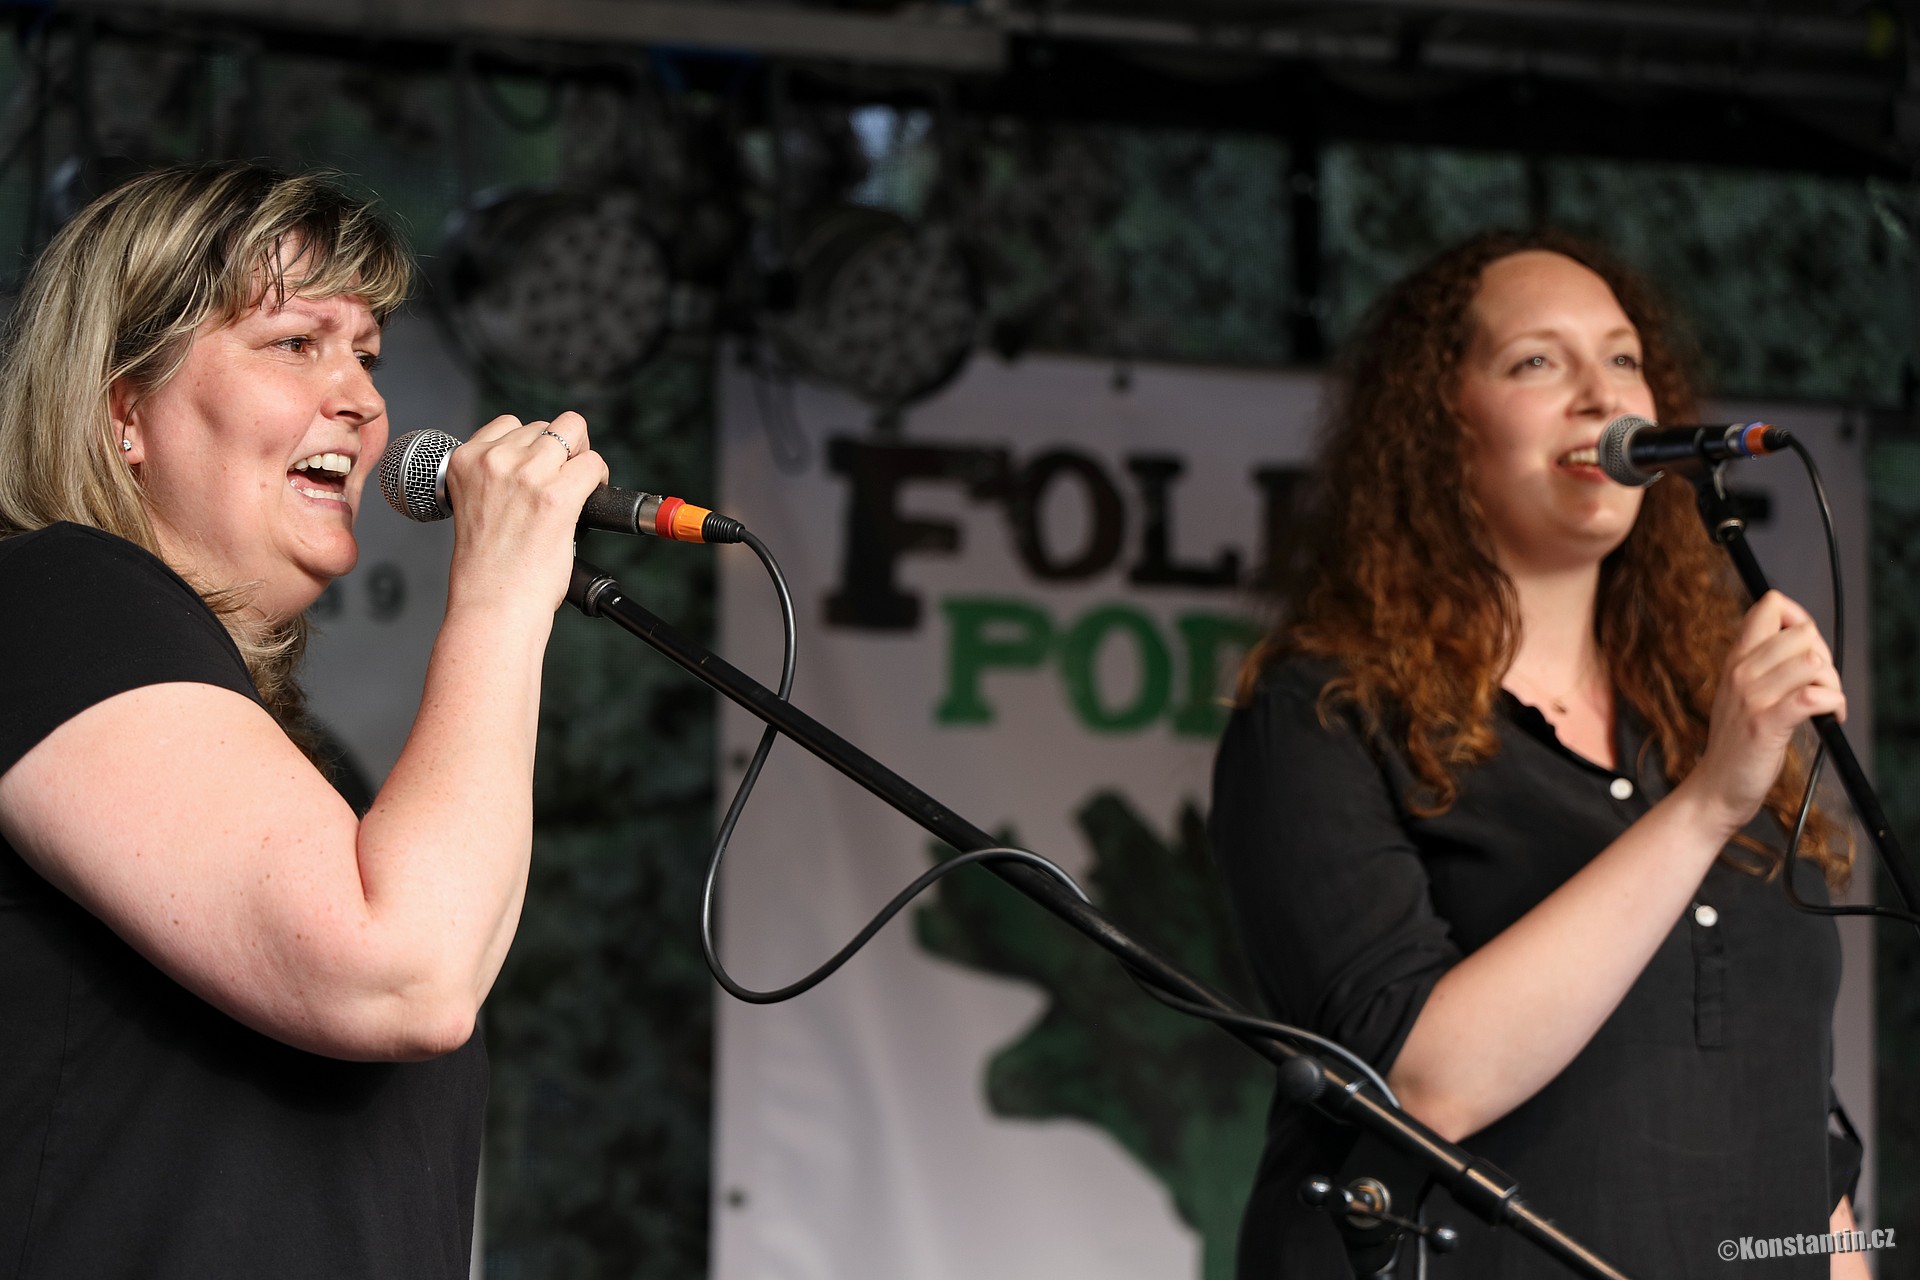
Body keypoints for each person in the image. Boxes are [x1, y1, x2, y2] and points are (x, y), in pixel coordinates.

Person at [1211, 228, 1865, 1278]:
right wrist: (1705, 802)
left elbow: (1800, 1130)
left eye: (1622, 358)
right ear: (1439, 425)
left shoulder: (1698, 716)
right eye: (1536, 362)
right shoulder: (1323, 710)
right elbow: (1420, 1080)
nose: (1601, 396)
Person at [0, 164, 606, 1277]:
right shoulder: (53, 598)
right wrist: (501, 594)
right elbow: (405, 967)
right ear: (125, 410)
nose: (363, 401)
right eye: (295, 343)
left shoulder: (306, 768)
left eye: (366, 354)